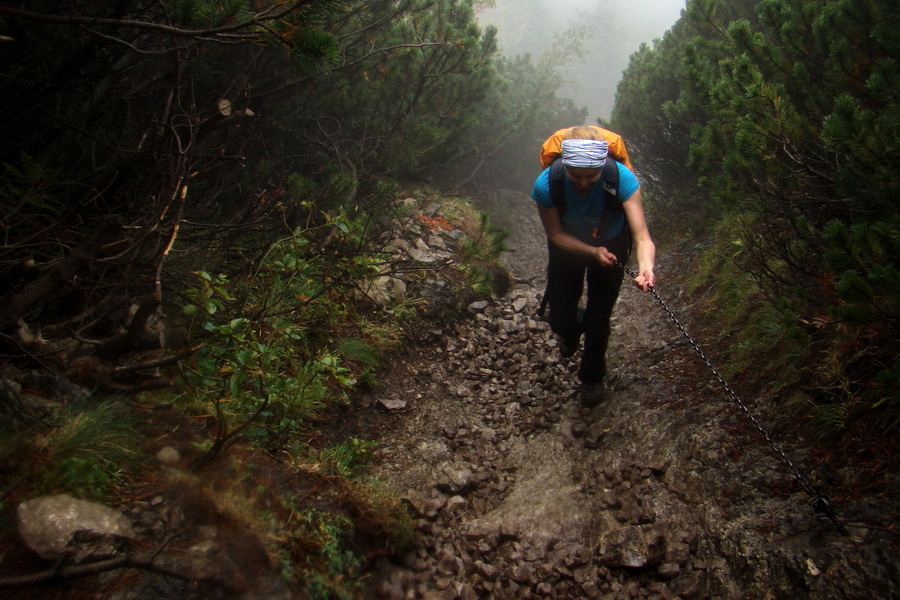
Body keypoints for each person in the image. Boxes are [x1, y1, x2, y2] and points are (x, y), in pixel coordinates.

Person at [531, 126, 656, 407]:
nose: (584, 182)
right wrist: (591, 250)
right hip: (568, 243)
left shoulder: (622, 178)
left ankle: (592, 377)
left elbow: (642, 236)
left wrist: (646, 267)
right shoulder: (547, 183)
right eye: (576, 176)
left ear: (603, 167)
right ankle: (571, 327)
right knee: (559, 317)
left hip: (612, 242)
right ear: (565, 166)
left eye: (592, 176)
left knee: (599, 319)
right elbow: (555, 234)